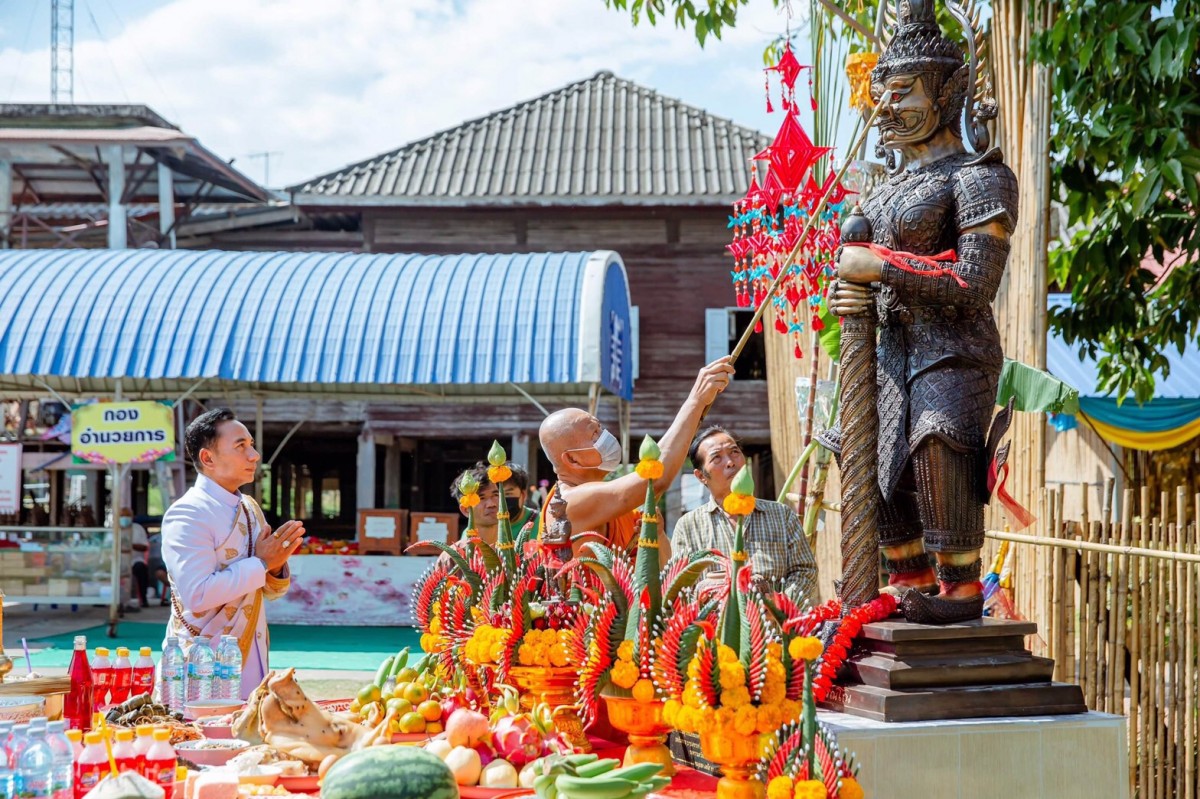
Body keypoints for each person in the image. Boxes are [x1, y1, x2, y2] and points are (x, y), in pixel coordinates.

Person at [824, 0, 1019, 624]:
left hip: (952, 351)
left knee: (935, 441)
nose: (886, 108)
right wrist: (852, 295)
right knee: (860, 448)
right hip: (890, 354)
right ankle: (906, 579)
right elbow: (869, 279)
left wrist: (879, 268)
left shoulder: (978, 177)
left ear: (948, 90)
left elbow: (973, 282)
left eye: (903, 92)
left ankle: (960, 589)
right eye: (881, 94)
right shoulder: (880, 194)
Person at [161, 408, 304, 699]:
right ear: (207, 458)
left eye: (251, 444)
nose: (254, 455)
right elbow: (197, 595)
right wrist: (263, 562)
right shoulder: (188, 513)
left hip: (250, 651)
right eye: (241, 446)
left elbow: (269, 589)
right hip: (203, 661)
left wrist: (276, 566)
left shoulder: (249, 508)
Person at [538, 358, 735, 565]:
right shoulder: (568, 504)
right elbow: (654, 479)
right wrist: (695, 401)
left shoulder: (619, 508)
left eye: (600, 428)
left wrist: (657, 535)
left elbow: (662, 569)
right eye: (594, 434)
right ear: (572, 459)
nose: (605, 436)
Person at [672, 426, 819, 608]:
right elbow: (678, 589)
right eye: (717, 457)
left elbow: (805, 570)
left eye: (735, 452)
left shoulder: (781, 515)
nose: (730, 462)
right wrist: (706, 593)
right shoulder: (688, 527)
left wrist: (779, 604)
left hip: (776, 631)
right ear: (701, 476)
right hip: (714, 633)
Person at [450, 461, 540, 545]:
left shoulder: (542, 521)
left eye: (496, 495)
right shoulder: (464, 544)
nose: (491, 504)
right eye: (481, 498)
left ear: (523, 495)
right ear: (466, 510)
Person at [122, 508, 151, 608]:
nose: (124, 519)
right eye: (122, 516)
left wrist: (129, 545)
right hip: (119, 561)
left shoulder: (138, 528)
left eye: (127, 516)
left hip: (135, 560)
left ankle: (143, 599)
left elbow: (144, 547)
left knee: (141, 569)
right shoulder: (115, 529)